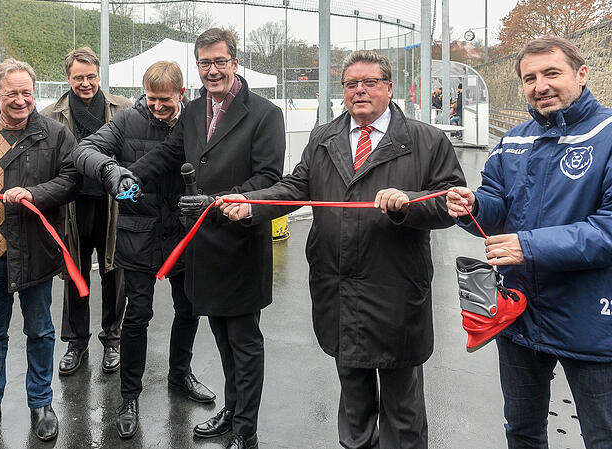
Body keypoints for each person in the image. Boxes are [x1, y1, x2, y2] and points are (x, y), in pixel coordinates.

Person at [219, 50, 465, 449]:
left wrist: (408, 201)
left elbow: (449, 202)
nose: (359, 91)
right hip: (338, 289)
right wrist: (252, 204)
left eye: (370, 82)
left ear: (388, 88)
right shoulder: (324, 138)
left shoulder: (426, 140)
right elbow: (296, 187)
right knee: (354, 402)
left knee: (402, 409)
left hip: (395, 291)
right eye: (351, 84)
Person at [119, 28, 285, 449]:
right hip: (204, 248)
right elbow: (168, 155)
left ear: (235, 62)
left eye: (220, 62)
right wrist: (127, 175)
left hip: (241, 245)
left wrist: (219, 201)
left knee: (244, 343)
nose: (212, 70)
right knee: (223, 340)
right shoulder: (193, 111)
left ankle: (245, 432)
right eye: (205, 63)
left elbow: (268, 178)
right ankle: (231, 412)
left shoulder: (265, 114)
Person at [446, 35, 612, 449]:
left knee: (603, 436)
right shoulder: (513, 140)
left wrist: (528, 246)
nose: (541, 86)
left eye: (552, 73)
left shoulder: (608, 135)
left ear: (582, 74)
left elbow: (608, 230)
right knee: (521, 432)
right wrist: (473, 206)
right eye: (530, 78)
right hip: (519, 317)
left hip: (591, 321)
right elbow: (497, 201)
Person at [73, 61, 216, 439]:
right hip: (137, 234)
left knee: (188, 309)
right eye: (151, 99)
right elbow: (84, 150)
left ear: (181, 94)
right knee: (136, 316)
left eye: (165, 100)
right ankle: (129, 395)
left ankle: (180, 374)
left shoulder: (200, 123)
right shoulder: (127, 121)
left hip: (184, 235)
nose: (157, 107)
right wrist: (110, 172)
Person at [0, 59, 80, 447]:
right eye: (12, 93)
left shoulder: (56, 135)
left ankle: (41, 403)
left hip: (36, 253)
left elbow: (71, 180)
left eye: (26, 92)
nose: (20, 100)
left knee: (39, 331)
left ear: (33, 92)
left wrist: (34, 194)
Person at [41, 47, 130, 376]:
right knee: (75, 274)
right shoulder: (52, 114)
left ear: (99, 75)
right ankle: (76, 341)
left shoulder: (122, 109)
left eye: (91, 76)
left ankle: (112, 338)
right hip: (72, 207)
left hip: (111, 205)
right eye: (78, 77)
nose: (85, 83)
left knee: (113, 272)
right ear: (67, 78)